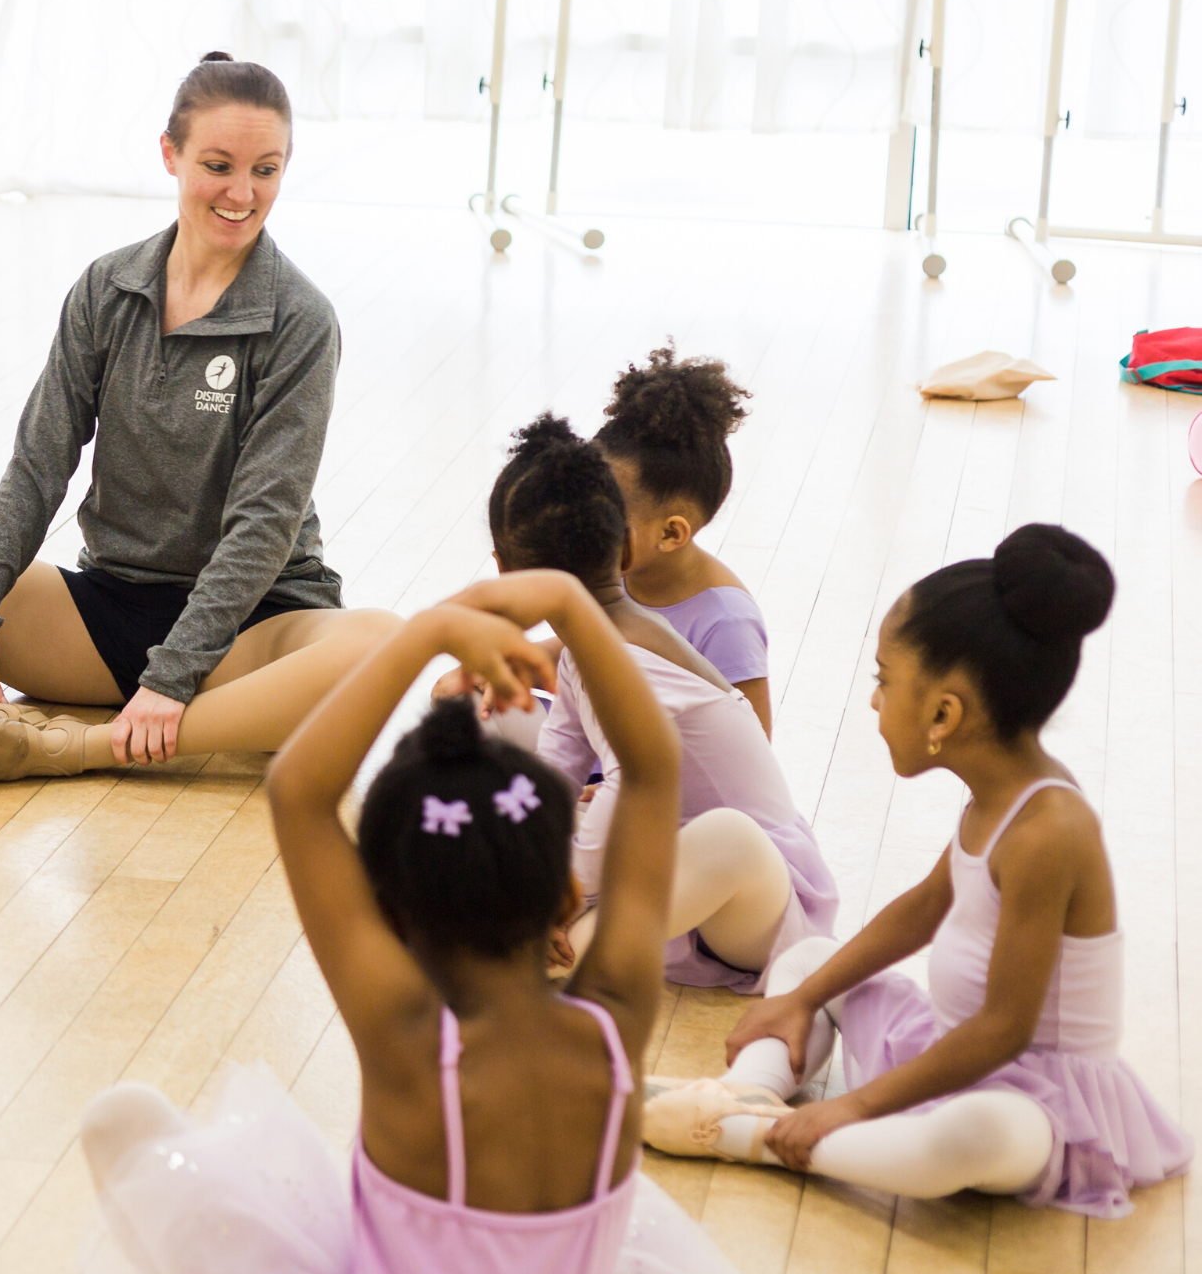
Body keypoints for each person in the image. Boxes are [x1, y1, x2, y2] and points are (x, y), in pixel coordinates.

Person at [79, 571, 872, 1274]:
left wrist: (423, 635)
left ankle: (161, 1171)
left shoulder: (408, 1046)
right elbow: (656, 768)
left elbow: (296, 790)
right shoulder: (615, 1021)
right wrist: (582, 610)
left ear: (394, 918)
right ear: (566, 907)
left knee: (196, 1177)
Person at [0, 53, 393, 781]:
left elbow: (264, 525)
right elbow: (38, 468)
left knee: (379, 644)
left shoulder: (301, 319)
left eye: (267, 170)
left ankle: (83, 748)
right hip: (108, 614)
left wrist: (171, 679)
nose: (242, 193)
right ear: (170, 153)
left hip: (253, 627)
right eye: (219, 164)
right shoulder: (107, 289)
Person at [644, 525, 1191, 1216]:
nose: (874, 699)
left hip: (1030, 1094)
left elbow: (1004, 1030)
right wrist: (803, 997)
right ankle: (750, 1092)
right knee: (807, 958)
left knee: (972, 1139)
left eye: (884, 680)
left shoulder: (1049, 830)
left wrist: (857, 1105)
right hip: (948, 1042)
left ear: (943, 711)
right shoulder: (997, 793)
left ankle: (752, 1137)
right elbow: (925, 906)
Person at [487, 415, 832, 989]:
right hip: (668, 870)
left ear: (502, 570)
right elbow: (554, 769)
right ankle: (570, 924)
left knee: (729, 836)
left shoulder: (633, 662)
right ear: (624, 549)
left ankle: (567, 927)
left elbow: (629, 785)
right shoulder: (585, 646)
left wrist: (554, 895)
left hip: (753, 903)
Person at [599, 343, 771, 730]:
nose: (585, 519)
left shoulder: (726, 623)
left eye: (605, 511)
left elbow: (751, 754)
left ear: (671, 533)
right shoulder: (617, 572)